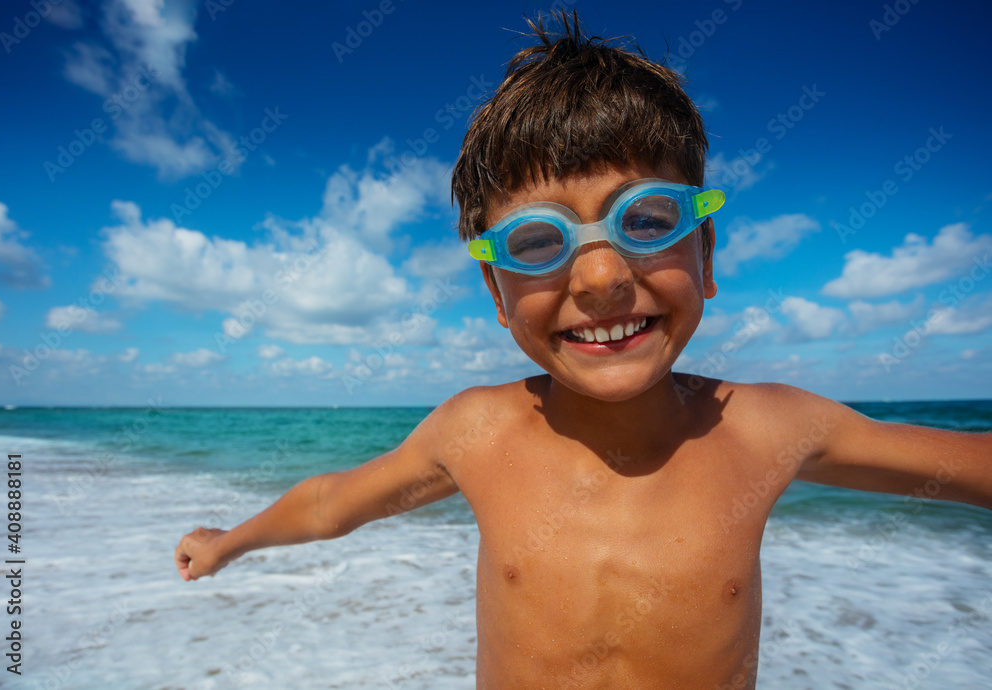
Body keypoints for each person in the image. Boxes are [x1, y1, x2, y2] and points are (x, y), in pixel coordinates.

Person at [174, 12, 992, 688]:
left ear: (705, 254)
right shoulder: (476, 433)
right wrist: (229, 540)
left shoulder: (768, 429)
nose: (601, 277)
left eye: (646, 220)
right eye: (538, 241)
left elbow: (965, 464)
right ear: (497, 294)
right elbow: (333, 504)